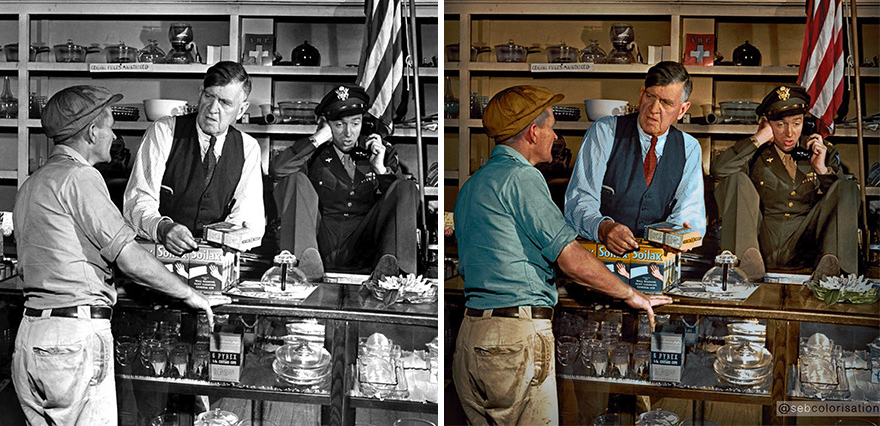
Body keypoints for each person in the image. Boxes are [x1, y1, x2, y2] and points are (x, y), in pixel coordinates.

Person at [452, 85, 671, 425]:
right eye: (551, 127)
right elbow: (570, 258)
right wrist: (631, 294)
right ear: (533, 131)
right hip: (513, 340)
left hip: (470, 338)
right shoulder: (522, 178)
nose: (555, 136)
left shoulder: (474, 184)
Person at [11, 85, 226, 424]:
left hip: (30, 336)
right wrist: (191, 294)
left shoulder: (33, 183)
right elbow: (129, 256)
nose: (113, 135)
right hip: (72, 339)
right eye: (109, 126)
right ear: (92, 131)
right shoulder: (81, 177)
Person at [710, 84, 860, 281]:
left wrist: (822, 170)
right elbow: (718, 170)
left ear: (804, 124)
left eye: (796, 124)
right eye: (780, 124)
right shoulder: (753, 152)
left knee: (847, 186)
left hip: (805, 245)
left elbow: (843, 202)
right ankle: (742, 265)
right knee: (735, 178)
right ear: (767, 124)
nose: (789, 133)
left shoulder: (821, 152)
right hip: (760, 244)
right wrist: (758, 138)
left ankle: (836, 270)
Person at [270, 84, 418, 280]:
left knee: (406, 186)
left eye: (355, 123)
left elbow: (400, 202)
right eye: (339, 125)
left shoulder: (379, 151)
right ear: (326, 124)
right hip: (318, 242)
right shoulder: (312, 152)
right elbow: (277, 170)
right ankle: (299, 268)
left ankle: (398, 273)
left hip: (363, 243)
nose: (348, 133)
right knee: (295, 178)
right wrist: (317, 138)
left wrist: (380, 170)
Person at [123, 61, 265, 255]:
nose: (213, 109)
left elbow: (248, 214)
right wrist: (162, 228)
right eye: (209, 96)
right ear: (200, 93)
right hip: (159, 254)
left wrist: (227, 240)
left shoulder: (248, 147)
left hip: (214, 258)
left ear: (241, 110)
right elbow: (137, 201)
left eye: (225, 102)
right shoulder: (165, 131)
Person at [565, 61, 706, 255]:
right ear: (641, 94)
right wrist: (603, 228)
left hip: (656, 259)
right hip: (600, 256)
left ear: (682, 110)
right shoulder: (605, 131)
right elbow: (579, 201)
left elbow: (691, 210)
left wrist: (676, 235)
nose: (654, 109)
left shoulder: (689, 147)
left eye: (666, 103)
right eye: (650, 96)